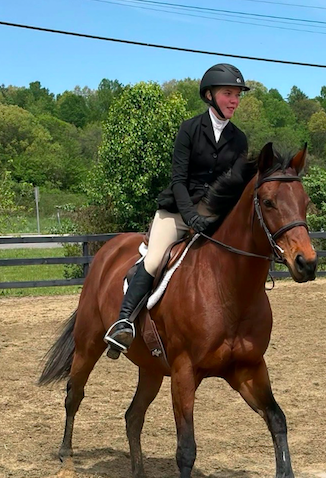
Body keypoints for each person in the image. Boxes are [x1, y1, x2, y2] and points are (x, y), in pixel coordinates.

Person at [104, 63, 250, 357]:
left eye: (237, 95)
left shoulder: (239, 139)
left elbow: (235, 186)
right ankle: (124, 322)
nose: (234, 100)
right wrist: (191, 216)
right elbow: (178, 181)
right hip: (176, 212)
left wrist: (215, 217)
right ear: (209, 95)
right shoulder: (189, 129)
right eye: (228, 93)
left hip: (214, 216)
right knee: (155, 258)